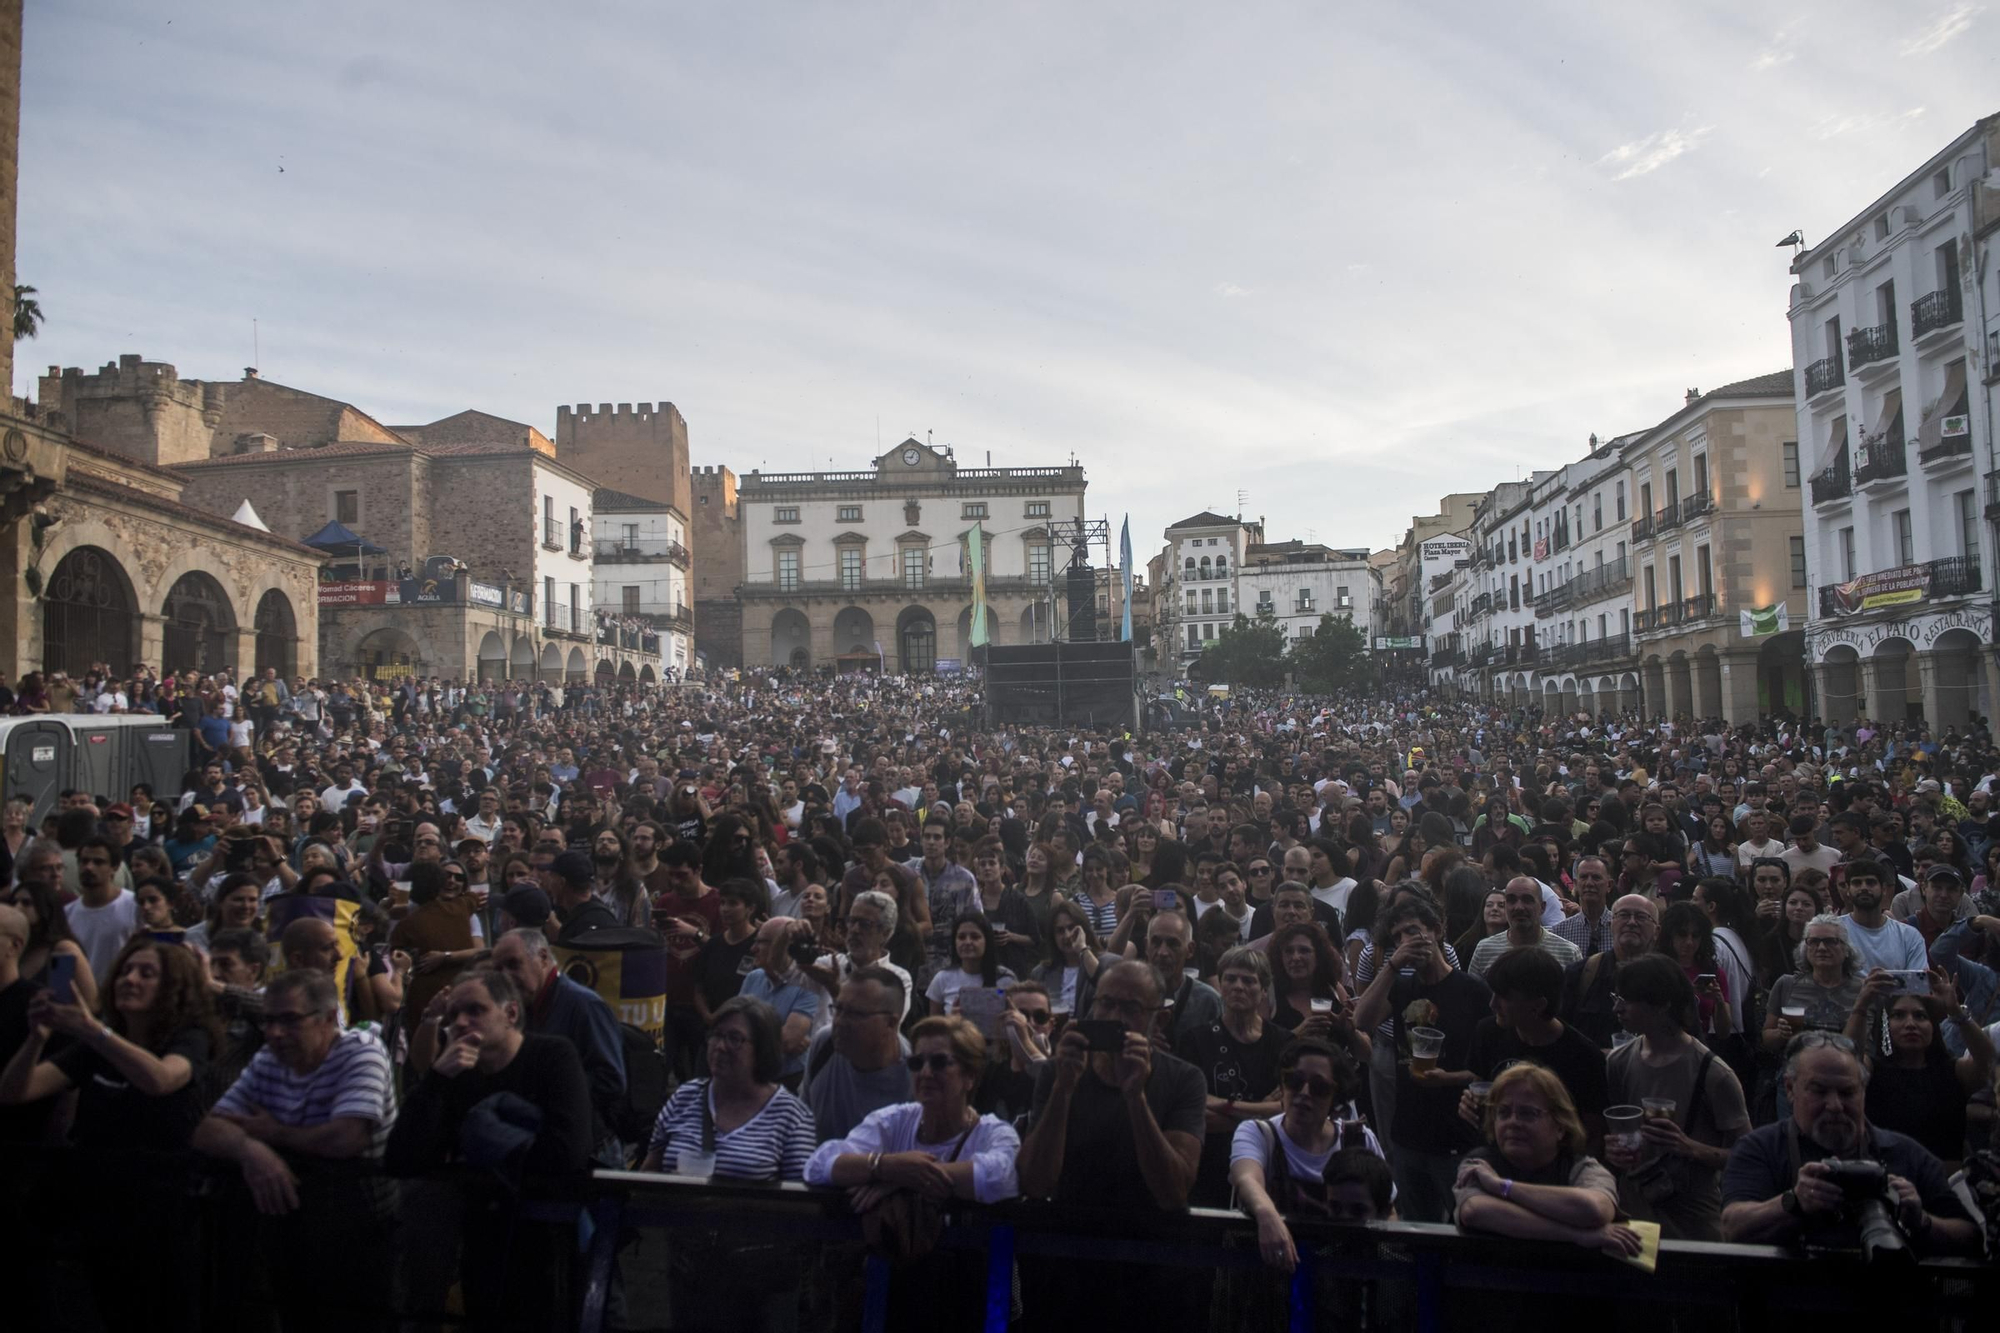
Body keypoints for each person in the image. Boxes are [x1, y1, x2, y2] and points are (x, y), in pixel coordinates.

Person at [0, 937, 220, 1332]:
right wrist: (38, 1038)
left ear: (174, 988)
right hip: (97, 1202)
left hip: (161, 1210)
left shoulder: (190, 1038)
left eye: (146, 973)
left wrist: (92, 1030)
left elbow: (161, 1079)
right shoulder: (96, 1044)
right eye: (125, 972)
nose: (129, 980)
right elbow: (17, 1091)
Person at [191, 969, 398, 1333]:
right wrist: (252, 1151)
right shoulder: (270, 1059)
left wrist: (274, 1134)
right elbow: (207, 1129)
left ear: (328, 1019)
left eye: (289, 1020)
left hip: (361, 1227)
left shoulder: (361, 1051)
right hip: (291, 1220)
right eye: (269, 1020)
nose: (274, 1032)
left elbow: (347, 1138)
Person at [385, 970, 593, 1331]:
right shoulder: (459, 1074)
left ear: (511, 1013)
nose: (461, 1023)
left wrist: (482, 1149)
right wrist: (435, 1079)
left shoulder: (552, 1056)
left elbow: (568, 1152)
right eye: (453, 1015)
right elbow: (402, 1159)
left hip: (547, 1238)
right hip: (485, 1239)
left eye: (475, 1011)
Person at [1017, 960, 1207, 1328]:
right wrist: (1063, 1091)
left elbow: (1173, 1191)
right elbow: (1035, 1182)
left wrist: (1135, 1096)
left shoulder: (1184, 1079)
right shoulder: (1060, 1072)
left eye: (1131, 1008)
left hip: (1151, 1271)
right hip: (1067, 1266)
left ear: (1159, 1020)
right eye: (1105, 1003)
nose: (1113, 1016)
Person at [805, 1015, 1021, 1329]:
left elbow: (1001, 1176)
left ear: (970, 1076)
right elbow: (819, 1164)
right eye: (917, 1063)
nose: (926, 1073)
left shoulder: (992, 1133)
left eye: (939, 1063)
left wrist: (900, 1180)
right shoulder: (895, 1120)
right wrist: (887, 1166)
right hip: (892, 1295)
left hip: (965, 1298)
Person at [642, 995, 817, 1333]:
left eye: (734, 1038)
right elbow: (649, 1172)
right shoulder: (685, 1097)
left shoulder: (790, 1115)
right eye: (715, 1035)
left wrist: (730, 1200)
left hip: (761, 1282)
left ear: (762, 1048)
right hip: (691, 1272)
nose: (719, 1046)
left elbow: (806, 1206)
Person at [1720, 1032, 1976, 1254]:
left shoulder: (1905, 1154)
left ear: (1863, 1090)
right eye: (1819, 1091)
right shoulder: (1760, 1149)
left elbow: (1970, 1237)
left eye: (1847, 1092)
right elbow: (1731, 1227)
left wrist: (1921, 1221)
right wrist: (1793, 1203)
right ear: (1789, 1088)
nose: (1834, 1106)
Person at [1352, 895, 1490, 1221]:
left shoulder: (1472, 991)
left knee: (1462, 1226)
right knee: (1415, 1231)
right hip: (1408, 1135)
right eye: (1397, 937)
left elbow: (1490, 1069)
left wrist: (1449, 1078)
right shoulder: (1402, 986)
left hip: (1457, 1138)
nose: (1405, 942)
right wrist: (1392, 965)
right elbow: (1361, 1021)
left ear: (1437, 930)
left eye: (1412, 931)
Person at [1603, 955, 1750, 1241]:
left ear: (1661, 1005)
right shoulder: (1619, 1061)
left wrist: (1689, 1147)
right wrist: (1612, 1150)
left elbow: (1745, 1157)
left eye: (1628, 1000)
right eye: (1617, 997)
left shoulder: (1713, 1073)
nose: (1617, 1008)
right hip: (1633, 1218)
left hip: (1693, 1221)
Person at [1231, 1036, 1388, 1272]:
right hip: (1267, 1279)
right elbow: (1246, 1178)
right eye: (1294, 1081)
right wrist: (1267, 1214)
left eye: (1319, 1087)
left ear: (1337, 1097)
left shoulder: (1359, 1139)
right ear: (1282, 1086)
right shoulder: (1259, 1133)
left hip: (1345, 1280)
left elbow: (1389, 1209)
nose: (1304, 1093)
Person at [1453, 1064, 1638, 1256]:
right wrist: (1577, 1234)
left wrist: (1503, 1187)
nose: (1513, 1122)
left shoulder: (1583, 1168)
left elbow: (1595, 1210)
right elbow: (1476, 1211)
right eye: (1504, 1112)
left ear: (1560, 1127)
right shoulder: (1479, 1163)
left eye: (1527, 1113)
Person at [485, 927, 629, 1163]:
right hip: (545, 1144)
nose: (505, 976)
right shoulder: (522, 1008)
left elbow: (612, 1080)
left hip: (590, 1152)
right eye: (498, 969)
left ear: (542, 958)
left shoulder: (584, 1005)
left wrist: (551, 1093)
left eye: (513, 964)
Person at [1181, 945, 1291, 1206]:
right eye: (1230, 978)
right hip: (1211, 1166)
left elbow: (1289, 1111)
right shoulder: (1195, 1041)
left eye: (1249, 980)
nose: (1238, 986)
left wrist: (1221, 1105)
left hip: (1270, 1167)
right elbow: (1191, 1113)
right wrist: (1263, 1111)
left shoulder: (1285, 1043)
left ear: (1264, 990)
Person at [1461, 947, 1608, 1136]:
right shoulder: (1488, 1033)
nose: (1493, 1004)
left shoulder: (1584, 1057)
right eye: (1493, 993)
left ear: (1538, 1005)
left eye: (1504, 997)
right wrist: (1469, 1104)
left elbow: (1593, 1135)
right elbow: (1479, 1087)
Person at [1860, 968, 1994, 1168]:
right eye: (1898, 1015)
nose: (1910, 1023)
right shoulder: (1871, 1070)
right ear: (1885, 1025)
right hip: (1886, 1182)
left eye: (1920, 1016)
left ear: (1933, 1026)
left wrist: (1955, 1011)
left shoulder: (1954, 1072)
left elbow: (1989, 1063)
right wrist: (1861, 1006)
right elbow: (1845, 1064)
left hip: (1945, 1183)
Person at [800, 968, 912, 1141]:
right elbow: (803, 1122)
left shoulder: (915, 1078)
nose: (840, 1022)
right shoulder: (825, 1044)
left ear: (891, 1023)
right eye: (838, 1009)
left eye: (855, 1014)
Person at [1558, 893, 1657, 1050]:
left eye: (1641, 917)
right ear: (1611, 924)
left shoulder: (1669, 981)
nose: (1631, 922)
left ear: (1656, 930)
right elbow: (1560, 1037)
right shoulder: (1580, 974)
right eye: (1623, 915)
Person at [737, 917, 824, 1087]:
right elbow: (734, 1025)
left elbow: (788, 1042)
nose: (753, 949)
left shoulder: (808, 984)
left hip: (789, 1083)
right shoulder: (753, 978)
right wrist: (775, 1037)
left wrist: (746, 1040)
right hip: (750, 1077)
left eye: (761, 943)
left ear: (783, 946)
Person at [1467, 874, 1580, 979]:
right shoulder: (1484, 950)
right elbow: (1473, 997)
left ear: (1542, 907)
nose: (1519, 907)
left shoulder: (1568, 952)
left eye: (1527, 900)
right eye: (1512, 900)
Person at [62, 835, 139, 987]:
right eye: (84, 861)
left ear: (114, 867)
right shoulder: (67, 913)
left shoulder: (134, 906)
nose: (89, 867)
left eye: (98, 862)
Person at [1145, 908, 1222, 1054]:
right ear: (1146, 946)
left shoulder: (1208, 1001)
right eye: (1156, 942)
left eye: (1172, 944)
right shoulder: (1126, 996)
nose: (1162, 952)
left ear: (1190, 949)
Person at [1030, 898, 1120, 1019]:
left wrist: (1082, 949)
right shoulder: (1041, 973)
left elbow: (1107, 989)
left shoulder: (1110, 963)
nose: (1067, 936)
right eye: (1060, 931)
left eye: (1071, 928)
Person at [1836, 859, 1928, 973]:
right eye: (1857, 883)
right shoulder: (1834, 931)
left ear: (1884, 889)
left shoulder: (1909, 936)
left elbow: (1918, 984)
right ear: (1848, 889)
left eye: (1870, 882)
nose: (1864, 887)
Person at [924, 911, 1015, 1018]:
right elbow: (933, 1025)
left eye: (975, 937)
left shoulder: (1005, 979)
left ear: (987, 941)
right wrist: (950, 1022)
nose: (967, 942)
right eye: (961, 937)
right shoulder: (942, 979)